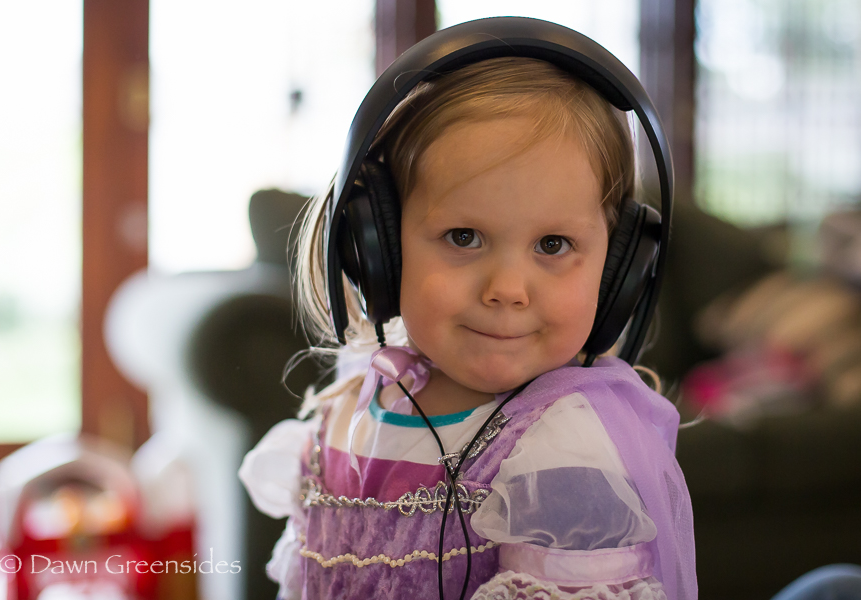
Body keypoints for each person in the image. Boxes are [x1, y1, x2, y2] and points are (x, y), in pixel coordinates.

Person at [239, 19, 696, 600]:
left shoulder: (564, 455)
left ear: (619, 269)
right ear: (377, 251)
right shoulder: (351, 408)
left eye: (553, 245)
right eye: (463, 237)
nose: (507, 289)